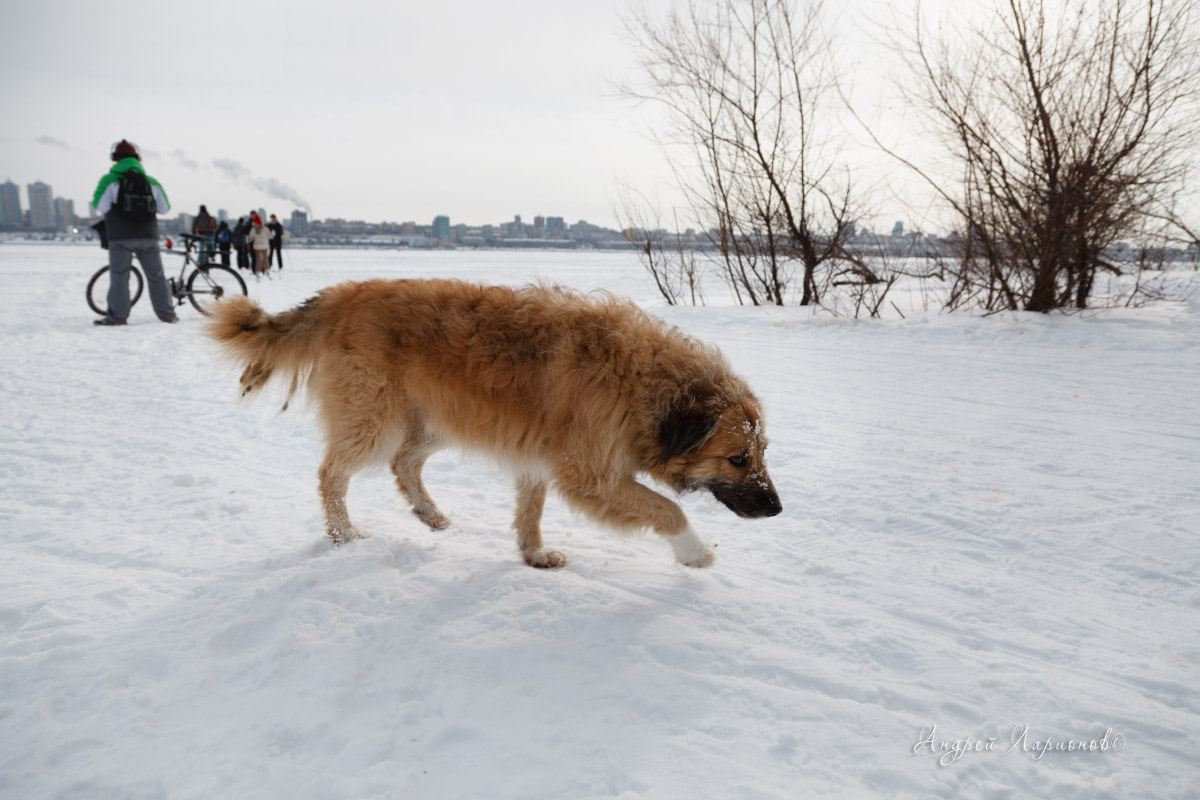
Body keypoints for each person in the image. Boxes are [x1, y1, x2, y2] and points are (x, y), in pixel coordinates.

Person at [91, 139, 178, 325]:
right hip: (148, 235)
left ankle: (117, 317)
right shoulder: (151, 182)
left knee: (120, 277)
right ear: (137, 158)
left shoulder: (109, 180)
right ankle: (167, 315)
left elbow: (100, 206)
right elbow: (164, 209)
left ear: (116, 159)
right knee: (156, 276)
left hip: (120, 236)